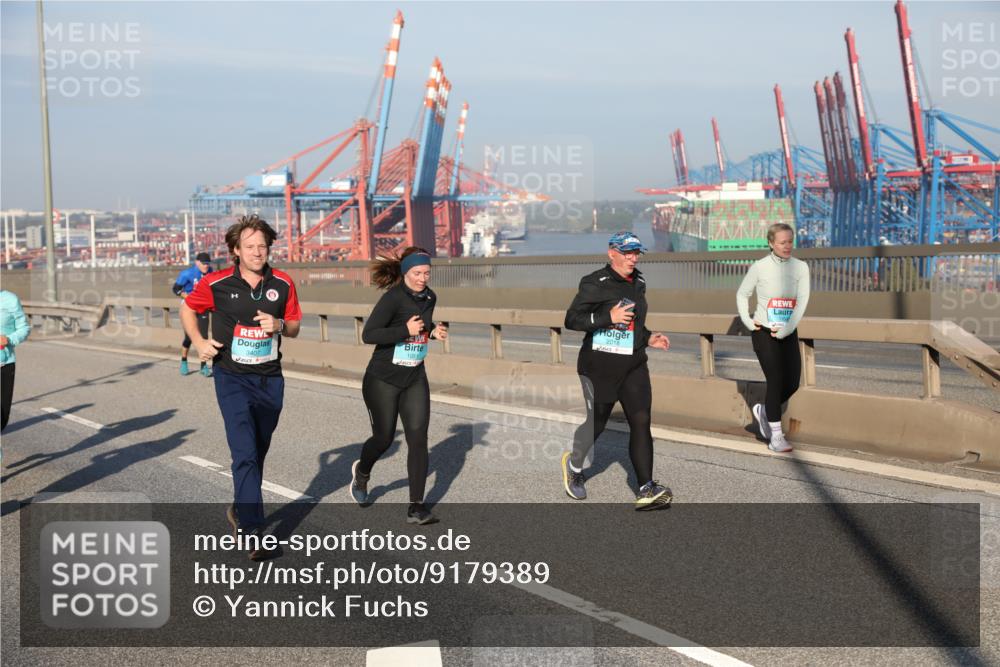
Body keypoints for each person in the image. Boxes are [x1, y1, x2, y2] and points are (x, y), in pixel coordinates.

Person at [181, 215, 301, 561]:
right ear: (236, 250)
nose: (257, 252)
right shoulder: (216, 283)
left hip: (270, 378)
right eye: (249, 246)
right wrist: (199, 341)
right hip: (231, 377)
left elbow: (294, 326)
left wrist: (279, 324)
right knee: (244, 452)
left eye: (262, 246)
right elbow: (188, 309)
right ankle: (252, 533)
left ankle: (239, 507)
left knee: (258, 450)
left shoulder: (283, 283)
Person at [562, 231, 672, 510]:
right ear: (611, 252)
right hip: (599, 365)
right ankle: (574, 465)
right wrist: (605, 317)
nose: (633, 258)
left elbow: (634, 322)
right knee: (596, 422)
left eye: (636, 253)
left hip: (633, 363)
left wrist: (648, 337)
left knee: (641, 419)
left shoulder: (640, 281)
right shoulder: (594, 282)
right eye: (627, 253)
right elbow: (571, 320)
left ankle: (646, 487)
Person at [350, 247, 448, 526]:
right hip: (383, 379)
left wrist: (433, 332)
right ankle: (363, 472)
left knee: (418, 438)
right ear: (405, 272)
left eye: (427, 273)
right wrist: (404, 330)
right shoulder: (392, 298)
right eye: (417, 273)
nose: (422, 278)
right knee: (383, 438)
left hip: (414, 376)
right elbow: (369, 334)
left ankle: (416, 507)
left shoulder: (430, 296)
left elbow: (422, 326)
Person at [736, 222, 810, 453]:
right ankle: (776, 436)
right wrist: (749, 323)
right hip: (764, 332)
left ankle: (765, 411)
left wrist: (788, 329)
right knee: (776, 379)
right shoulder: (759, 267)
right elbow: (742, 294)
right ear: (771, 243)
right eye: (782, 242)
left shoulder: (801, 267)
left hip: (788, 331)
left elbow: (802, 301)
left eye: (790, 241)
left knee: (793, 382)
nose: (787, 246)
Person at [173, 252, 214, 377]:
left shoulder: (211, 272)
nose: (206, 266)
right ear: (197, 262)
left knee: (203, 336)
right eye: (203, 263)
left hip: (203, 307)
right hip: (189, 307)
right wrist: (188, 297)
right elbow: (176, 289)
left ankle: (203, 366)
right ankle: (184, 361)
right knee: (189, 337)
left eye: (208, 264)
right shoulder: (187, 274)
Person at [1, 290, 31, 432]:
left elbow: (24, 328)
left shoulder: (10, 299)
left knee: (3, 415)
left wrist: (9, 339)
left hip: (4, 363)